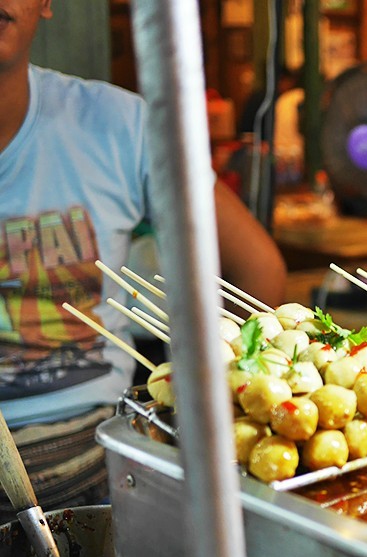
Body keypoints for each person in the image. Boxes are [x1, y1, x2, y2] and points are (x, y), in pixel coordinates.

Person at [0, 0, 287, 522]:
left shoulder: (118, 125)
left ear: (45, 2)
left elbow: (258, 267)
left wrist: (224, 390)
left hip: (101, 452)